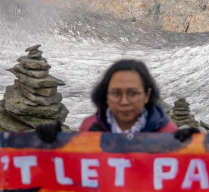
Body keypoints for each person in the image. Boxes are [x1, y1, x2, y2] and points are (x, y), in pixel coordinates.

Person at [36, 59, 196, 142]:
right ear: (106, 95)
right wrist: (51, 146)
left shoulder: (169, 134)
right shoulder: (89, 127)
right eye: (116, 93)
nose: (124, 101)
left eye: (133, 93)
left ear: (147, 95)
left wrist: (196, 151)